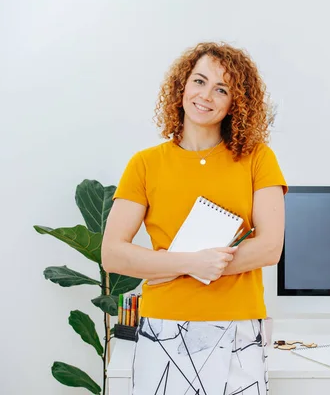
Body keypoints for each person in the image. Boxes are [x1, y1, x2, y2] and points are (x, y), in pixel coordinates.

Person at [101, 42, 287, 395]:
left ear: (236, 102)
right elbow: (112, 254)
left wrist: (176, 267)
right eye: (199, 81)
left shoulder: (258, 159)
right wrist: (192, 263)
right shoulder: (144, 163)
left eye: (222, 89)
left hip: (239, 325)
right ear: (182, 86)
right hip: (164, 325)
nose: (206, 96)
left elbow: (269, 248)